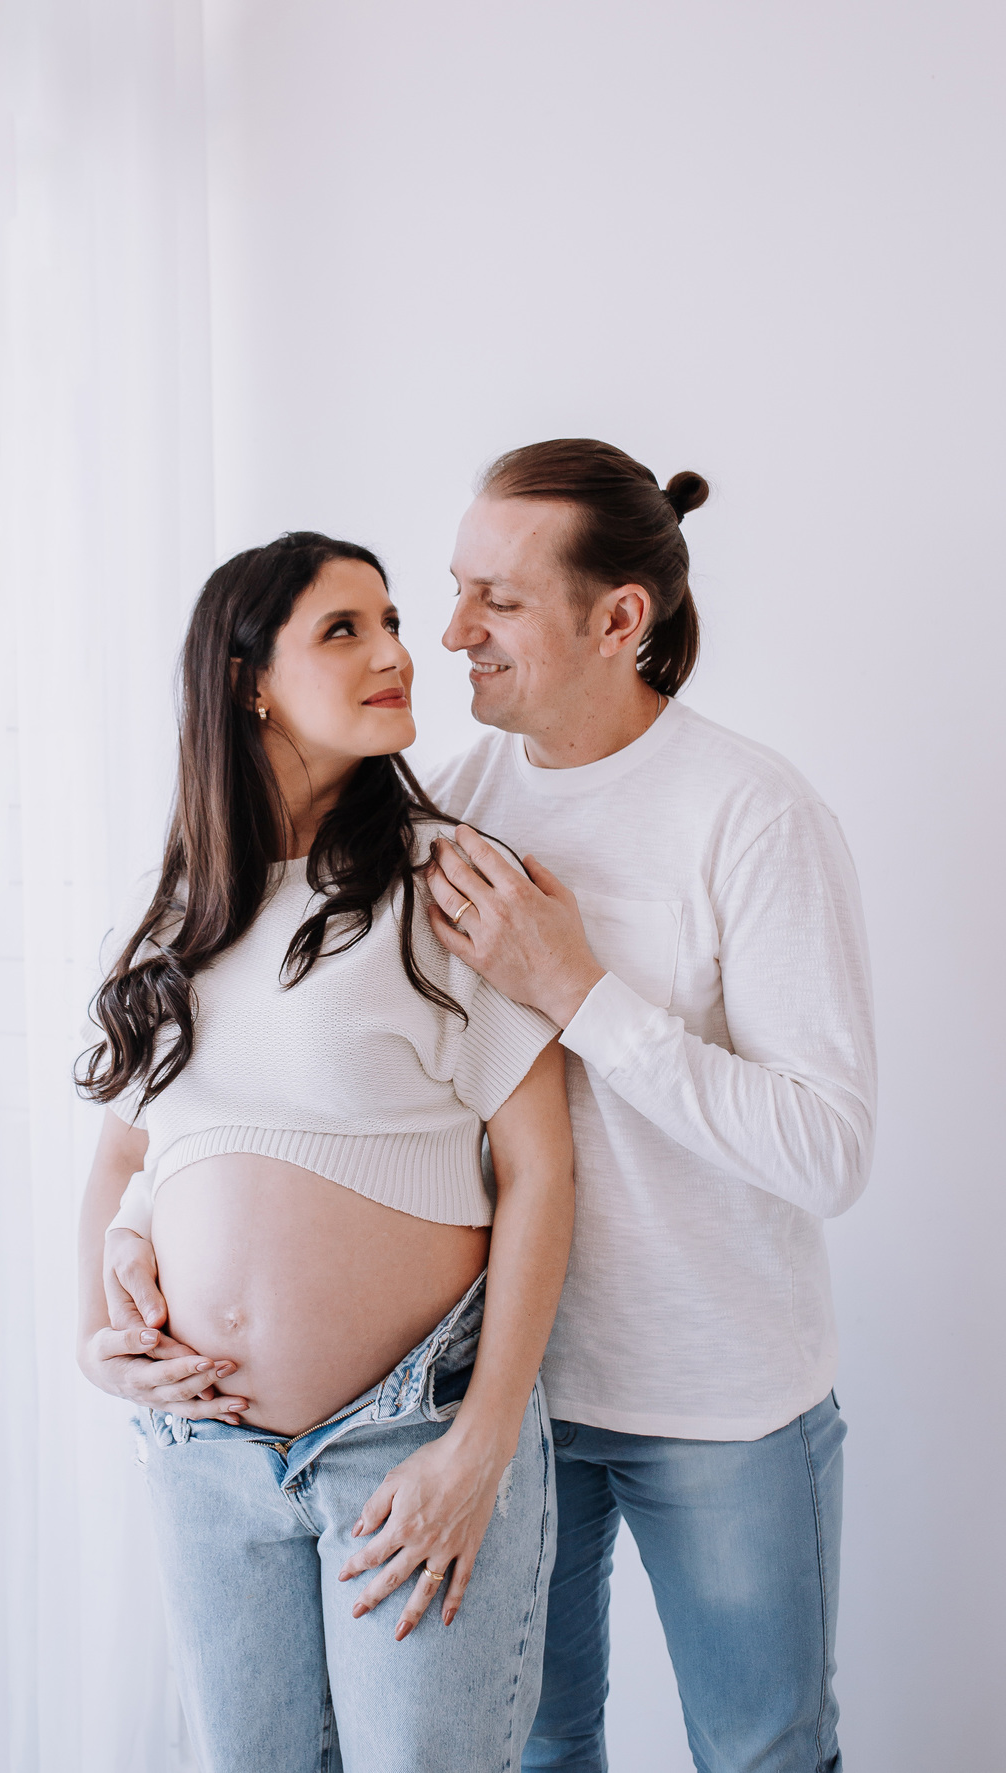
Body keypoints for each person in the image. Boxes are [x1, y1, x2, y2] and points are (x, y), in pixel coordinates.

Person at [74, 531, 575, 1773]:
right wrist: (94, 1341)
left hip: (409, 1441)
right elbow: (123, 1160)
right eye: (344, 629)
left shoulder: (449, 884)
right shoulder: (176, 908)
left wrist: (481, 1444)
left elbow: (541, 1173)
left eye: (391, 621)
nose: (396, 652)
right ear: (247, 680)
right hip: (205, 1456)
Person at [424, 439, 875, 1773]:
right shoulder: (450, 802)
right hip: (508, 1401)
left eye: (500, 599)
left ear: (620, 618)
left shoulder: (753, 815)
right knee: (535, 1751)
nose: (453, 633)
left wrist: (578, 988)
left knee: (763, 1754)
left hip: (723, 1404)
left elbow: (829, 1150)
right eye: (457, 590)